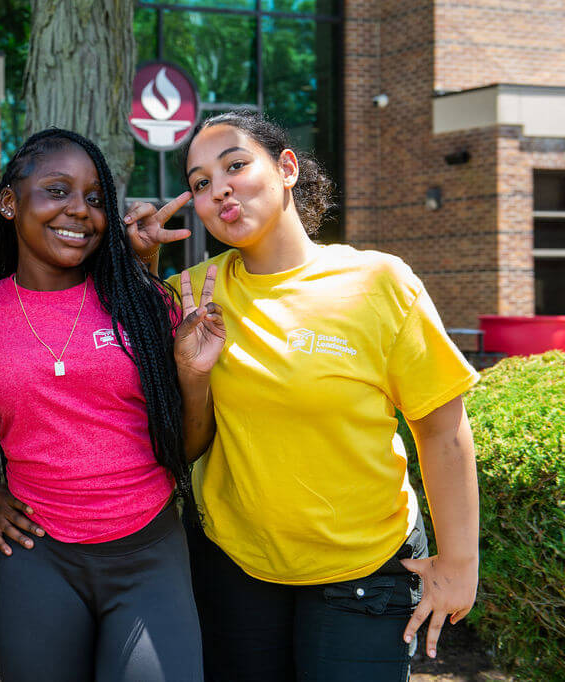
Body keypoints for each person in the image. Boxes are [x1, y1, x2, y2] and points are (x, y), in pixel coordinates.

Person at [124, 109, 480, 682]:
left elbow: (441, 428)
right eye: (200, 184)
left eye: (235, 165)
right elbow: (137, 403)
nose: (219, 190)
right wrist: (136, 261)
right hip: (235, 567)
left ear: (287, 168)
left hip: (364, 569)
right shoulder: (190, 298)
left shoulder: (380, 283)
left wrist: (460, 565)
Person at [0, 128, 225, 682]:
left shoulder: (142, 303)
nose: (79, 211)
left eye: (94, 198)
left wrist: (195, 377)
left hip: (149, 552)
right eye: (57, 190)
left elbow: (184, 446)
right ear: (10, 203)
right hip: (39, 558)